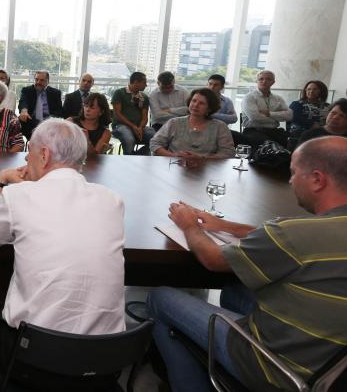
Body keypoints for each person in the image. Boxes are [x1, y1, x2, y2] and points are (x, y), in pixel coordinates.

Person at [147, 137, 347, 392]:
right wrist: (222, 225)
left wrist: (188, 226)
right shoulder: (305, 232)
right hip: (331, 365)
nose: (290, 181)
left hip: (279, 368)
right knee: (233, 290)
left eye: (294, 173)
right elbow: (282, 238)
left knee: (159, 297)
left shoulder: (293, 233)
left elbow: (213, 260)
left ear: (318, 179)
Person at [0, 119, 125, 374]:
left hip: (38, 358)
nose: (26, 161)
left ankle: (13, 377)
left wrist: (0, 181)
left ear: (44, 154)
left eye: (28, 153)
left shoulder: (19, 196)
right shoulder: (112, 200)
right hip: (106, 359)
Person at [150, 87, 235, 160]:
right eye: (193, 101)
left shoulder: (220, 126)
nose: (195, 105)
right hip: (175, 167)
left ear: (209, 108)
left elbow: (228, 153)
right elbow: (155, 144)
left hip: (207, 169)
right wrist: (174, 156)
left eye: (201, 103)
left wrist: (202, 158)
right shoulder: (174, 122)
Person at [242, 70, 292, 149]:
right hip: (254, 131)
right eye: (261, 79)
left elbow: (289, 116)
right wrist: (277, 118)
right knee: (269, 146)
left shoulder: (278, 98)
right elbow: (255, 117)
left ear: (273, 82)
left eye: (268, 79)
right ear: (256, 81)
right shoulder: (249, 97)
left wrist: (270, 114)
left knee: (292, 142)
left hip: (274, 131)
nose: (264, 81)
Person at [111, 72, 155, 155]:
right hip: (120, 125)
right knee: (129, 138)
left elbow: (145, 116)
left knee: (155, 137)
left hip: (138, 127)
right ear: (136, 82)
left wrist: (140, 128)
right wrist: (133, 126)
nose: (146, 85)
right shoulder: (119, 93)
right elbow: (118, 114)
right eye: (144, 82)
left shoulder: (144, 97)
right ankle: (129, 159)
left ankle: (137, 155)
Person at [18, 70, 63, 138]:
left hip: (49, 123)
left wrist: (50, 119)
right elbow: (23, 102)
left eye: (42, 80)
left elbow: (59, 110)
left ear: (48, 81)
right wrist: (24, 110)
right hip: (31, 122)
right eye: (36, 79)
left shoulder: (56, 93)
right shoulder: (27, 90)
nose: (38, 82)